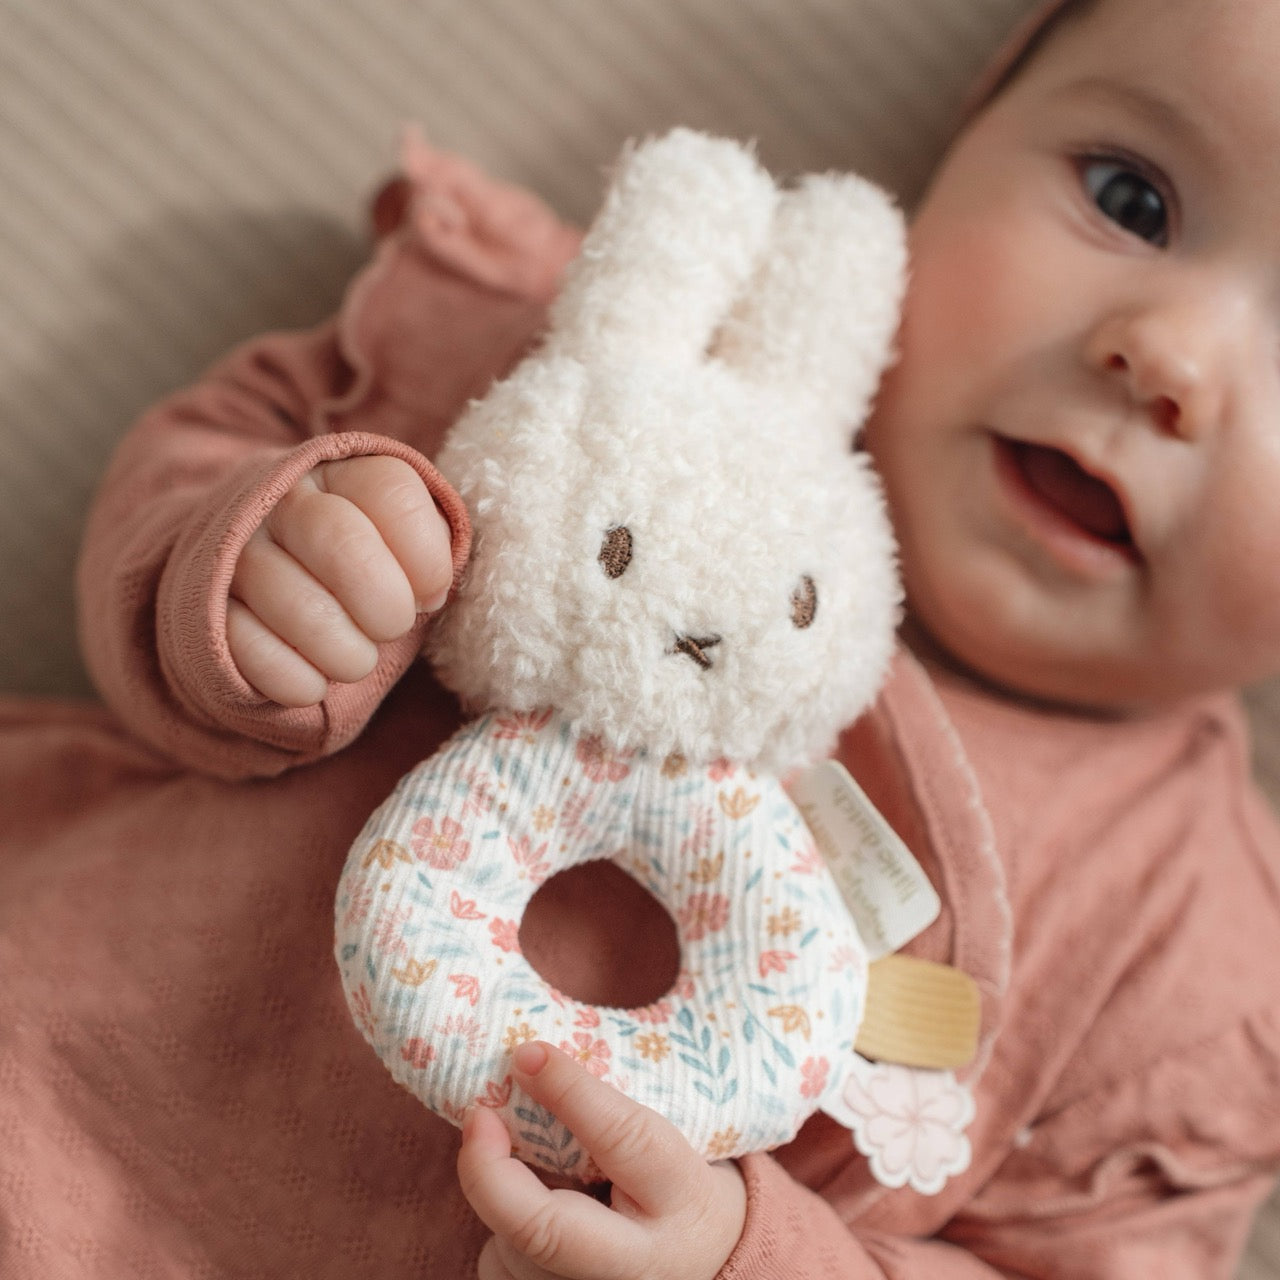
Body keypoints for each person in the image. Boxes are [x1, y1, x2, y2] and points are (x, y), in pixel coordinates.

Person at [1, 0, 1278, 1276]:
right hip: (60, 1066)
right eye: (1130, 199)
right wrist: (265, 564)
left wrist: (748, 1256)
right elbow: (219, 441)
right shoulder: (580, 374)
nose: (1163, 357)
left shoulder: (1198, 948)